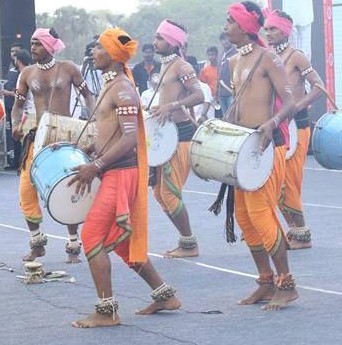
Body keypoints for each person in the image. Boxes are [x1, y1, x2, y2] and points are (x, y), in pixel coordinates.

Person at [67, 27, 180, 328]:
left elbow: (130, 139)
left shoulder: (122, 89)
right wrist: (93, 148)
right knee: (120, 244)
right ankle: (164, 294)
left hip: (120, 172)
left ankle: (107, 311)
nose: (94, 53)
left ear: (114, 56)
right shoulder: (112, 84)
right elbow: (115, 132)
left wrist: (97, 164)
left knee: (91, 237)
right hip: (112, 169)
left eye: (99, 48)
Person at [221, 2, 297, 311]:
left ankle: (287, 283)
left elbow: (291, 102)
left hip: (267, 144)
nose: (225, 27)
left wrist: (271, 123)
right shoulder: (234, 61)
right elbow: (239, 104)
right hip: (244, 146)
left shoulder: (270, 58)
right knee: (244, 217)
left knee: (263, 215)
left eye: (230, 22)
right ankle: (265, 281)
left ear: (243, 27)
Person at [10, 28, 96, 263]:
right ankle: (37, 244)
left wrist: (92, 116)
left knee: (67, 189)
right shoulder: (27, 73)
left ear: (49, 46)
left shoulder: (68, 68)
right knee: (26, 193)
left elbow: (88, 95)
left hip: (65, 139)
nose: (33, 47)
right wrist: (15, 124)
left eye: (37, 43)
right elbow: (18, 106)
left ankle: (73, 245)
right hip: (36, 139)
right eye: (31, 43)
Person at [264, 9, 327, 250]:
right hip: (276, 124)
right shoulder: (268, 56)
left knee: (289, 181)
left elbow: (319, 87)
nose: (268, 33)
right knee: (277, 180)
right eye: (267, 28)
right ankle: (294, 230)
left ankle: (302, 234)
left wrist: (296, 106)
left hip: (296, 124)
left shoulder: (297, 56)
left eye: (273, 29)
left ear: (285, 32)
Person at [147, 20, 205, 259]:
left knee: (170, 193)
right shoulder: (165, 65)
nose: (155, 41)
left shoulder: (181, 66)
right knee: (159, 194)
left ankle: (190, 243)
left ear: (173, 42)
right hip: (165, 136)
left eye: (160, 38)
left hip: (181, 137)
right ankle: (185, 241)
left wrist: (172, 105)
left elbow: (199, 95)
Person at [217, 33, 236, 117]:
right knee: (225, 118)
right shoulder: (220, 55)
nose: (226, 41)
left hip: (231, 92)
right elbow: (218, 75)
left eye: (228, 39)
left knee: (233, 117)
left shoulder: (236, 53)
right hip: (221, 93)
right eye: (224, 39)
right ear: (221, 41)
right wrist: (216, 93)